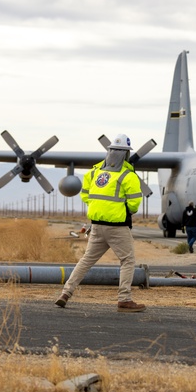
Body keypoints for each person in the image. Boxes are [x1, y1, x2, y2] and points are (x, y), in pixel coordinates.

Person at [55, 134, 146, 313]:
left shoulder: (94, 173)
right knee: (127, 261)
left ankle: (65, 293)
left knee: (86, 260)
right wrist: (121, 210)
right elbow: (134, 204)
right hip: (117, 227)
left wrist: (101, 209)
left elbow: (86, 196)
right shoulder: (128, 176)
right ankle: (124, 299)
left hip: (96, 225)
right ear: (126, 154)